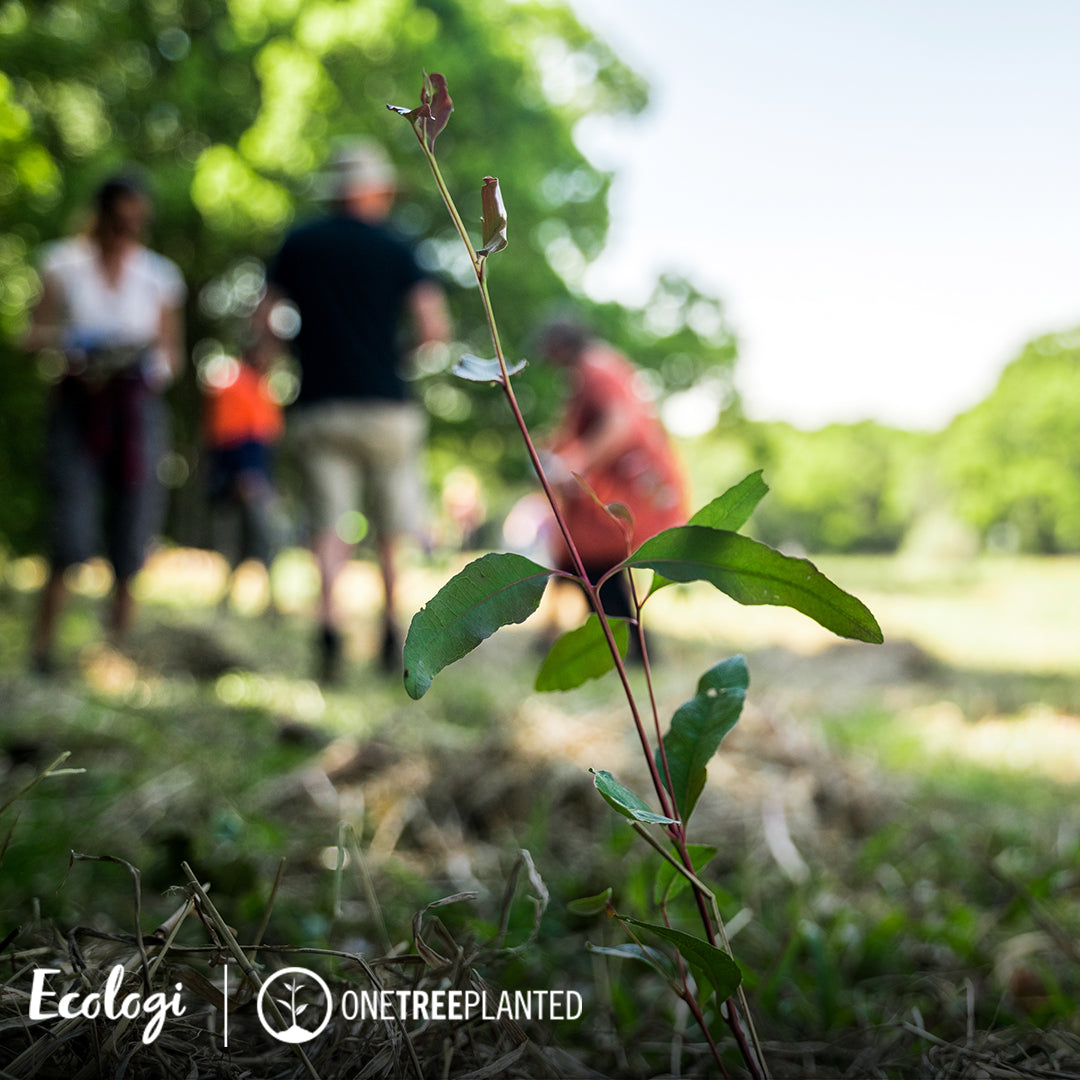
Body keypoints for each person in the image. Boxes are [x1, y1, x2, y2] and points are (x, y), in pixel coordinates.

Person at [256, 138, 451, 681]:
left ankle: (329, 626)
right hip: (387, 406)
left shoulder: (299, 244)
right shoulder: (399, 248)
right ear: (374, 192)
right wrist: (399, 357)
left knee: (328, 525)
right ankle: (392, 631)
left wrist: (284, 354)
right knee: (392, 527)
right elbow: (433, 328)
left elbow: (262, 323)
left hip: (319, 405)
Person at [23, 173, 186, 673]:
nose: (126, 231)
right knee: (71, 525)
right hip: (78, 407)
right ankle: (43, 648)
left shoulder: (159, 276)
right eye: (119, 221)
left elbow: (170, 354)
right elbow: (32, 334)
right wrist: (76, 346)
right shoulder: (62, 264)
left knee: (132, 523)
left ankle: (115, 650)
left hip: (134, 411)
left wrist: (139, 367)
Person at [538, 318, 689, 630]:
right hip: (614, 492)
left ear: (561, 345)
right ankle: (560, 636)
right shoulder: (590, 372)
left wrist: (576, 461)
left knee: (594, 563)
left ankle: (621, 640)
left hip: (631, 488)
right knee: (580, 558)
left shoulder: (597, 368)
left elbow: (620, 424)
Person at [202, 342, 285, 610]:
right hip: (240, 480)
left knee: (264, 539)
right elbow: (225, 438)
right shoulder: (233, 386)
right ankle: (227, 600)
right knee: (241, 539)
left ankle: (269, 602)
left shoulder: (265, 391)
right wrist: (238, 477)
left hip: (258, 477)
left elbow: (267, 443)